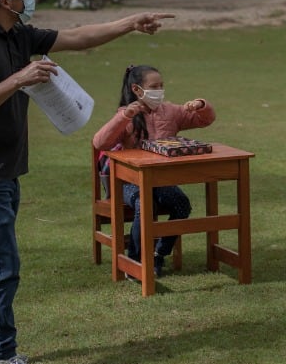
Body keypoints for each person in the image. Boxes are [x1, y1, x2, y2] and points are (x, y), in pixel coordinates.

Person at [0, 0, 172, 364]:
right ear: (6, 0)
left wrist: (131, 23)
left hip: (0, 169)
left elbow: (79, 36)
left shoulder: (16, 34)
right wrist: (19, 78)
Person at [92, 64, 215, 277]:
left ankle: (159, 254)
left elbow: (206, 119)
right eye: (154, 86)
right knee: (145, 203)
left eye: (161, 86)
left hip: (160, 180)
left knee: (181, 204)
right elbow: (100, 142)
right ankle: (136, 260)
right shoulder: (126, 115)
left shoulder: (171, 111)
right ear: (137, 90)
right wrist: (124, 117)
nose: (159, 90)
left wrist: (201, 104)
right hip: (128, 182)